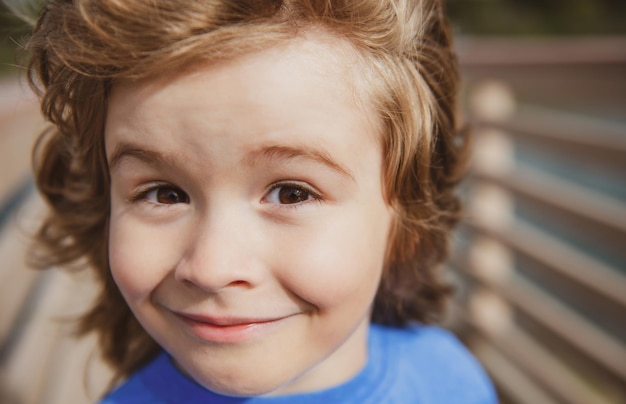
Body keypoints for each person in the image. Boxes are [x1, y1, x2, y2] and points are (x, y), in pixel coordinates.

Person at [26, 0, 496, 402]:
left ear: (406, 219)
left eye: (292, 193)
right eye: (164, 194)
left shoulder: (451, 377)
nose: (211, 268)